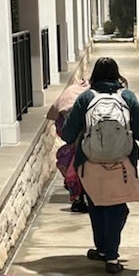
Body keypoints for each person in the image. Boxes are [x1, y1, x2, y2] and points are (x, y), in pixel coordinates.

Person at [61, 56, 139, 273]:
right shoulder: (128, 97)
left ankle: (104, 249)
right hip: (122, 163)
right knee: (117, 208)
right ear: (117, 74)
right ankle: (111, 256)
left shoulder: (85, 98)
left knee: (97, 205)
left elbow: (68, 134)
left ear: (94, 75)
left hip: (90, 163)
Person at [46, 77, 90, 212]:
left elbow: (62, 127)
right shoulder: (91, 95)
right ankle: (82, 195)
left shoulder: (70, 93)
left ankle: (78, 196)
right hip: (89, 136)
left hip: (75, 135)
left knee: (74, 163)